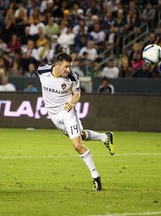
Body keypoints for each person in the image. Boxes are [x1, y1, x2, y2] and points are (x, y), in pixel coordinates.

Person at [37, 52, 114, 191]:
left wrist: (73, 102)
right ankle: (105, 137)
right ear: (57, 65)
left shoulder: (72, 77)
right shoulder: (42, 71)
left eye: (70, 66)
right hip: (53, 115)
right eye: (66, 67)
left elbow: (77, 94)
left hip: (67, 112)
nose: (68, 70)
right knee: (81, 135)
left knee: (77, 145)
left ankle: (95, 176)